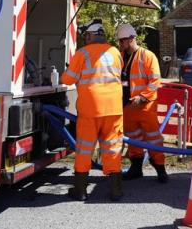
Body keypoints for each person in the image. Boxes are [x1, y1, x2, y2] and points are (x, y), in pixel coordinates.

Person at [61, 19, 125, 201]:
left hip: (91, 109)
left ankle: (80, 190)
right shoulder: (115, 52)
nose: (85, 38)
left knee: (84, 149)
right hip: (113, 109)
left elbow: (67, 80)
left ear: (91, 35)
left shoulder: (82, 53)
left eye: (86, 35)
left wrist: (68, 72)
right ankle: (116, 190)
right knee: (112, 148)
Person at [116, 23, 168, 183]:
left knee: (153, 138)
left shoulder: (147, 56)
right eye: (120, 41)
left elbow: (155, 80)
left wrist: (143, 97)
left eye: (123, 41)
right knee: (133, 139)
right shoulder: (120, 56)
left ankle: (160, 169)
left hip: (145, 106)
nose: (121, 44)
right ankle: (136, 169)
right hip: (127, 107)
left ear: (132, 39)